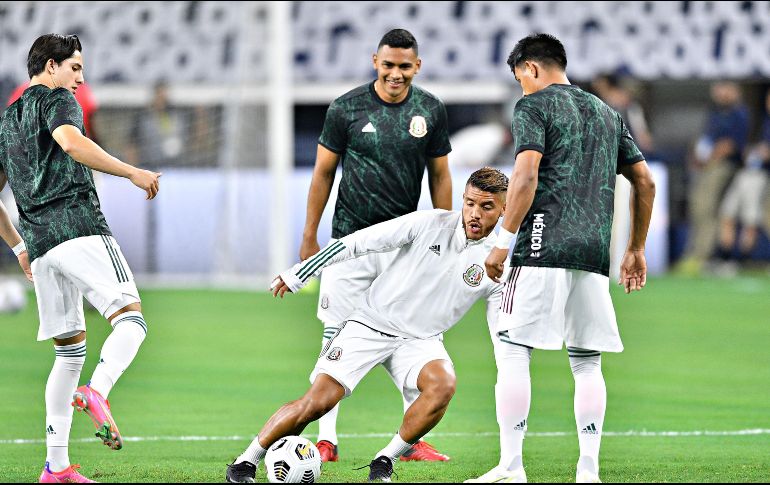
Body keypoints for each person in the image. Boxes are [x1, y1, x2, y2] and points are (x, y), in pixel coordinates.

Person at [226, 168, 507, 483]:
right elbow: (358, 242)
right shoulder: (429, 223)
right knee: (316, 403)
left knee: (443, 384)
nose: (474, 213)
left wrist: (509, 367)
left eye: (486, 207)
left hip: (420, 340)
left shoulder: (499, 261)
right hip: (370, 325)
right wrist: (301, 271)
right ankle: (245, 462)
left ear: (504, 209)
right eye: (469, 203)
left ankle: (384, 460)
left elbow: (500, 325)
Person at [468, 34, 656, 484]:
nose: (521, 89)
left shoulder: (533, 107)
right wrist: (635, 248)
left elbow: (527, 173)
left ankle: (512, 466)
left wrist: (502, 241)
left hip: (540, 246)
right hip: (593, 253)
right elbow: (645, 182)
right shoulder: (608, 113)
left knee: (512, 349)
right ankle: (588, 469)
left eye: (520, 80)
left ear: (531, 68)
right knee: (587, 360)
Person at [0, 34, 161, 483]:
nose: (80, 79)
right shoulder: (59, 101)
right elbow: (71, 144)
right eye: (75, 68)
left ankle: (56, 468)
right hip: (79, 227)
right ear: (51, 67)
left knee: (68, 354)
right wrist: (132, 171)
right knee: (132, 320)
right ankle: (100, 390)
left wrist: (18, 247)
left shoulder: (7, 121)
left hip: (42, 247)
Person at [298, 28, 453, 463]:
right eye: (388, 65)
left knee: (414, 333)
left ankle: (411, 441)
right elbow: (323, 174)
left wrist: (447, 237)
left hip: (405, 247)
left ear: (417, 66)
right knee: (336, 335)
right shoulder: (345, 108)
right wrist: (310, 236)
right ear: (375, 62)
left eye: (405, 66)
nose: (396, 74)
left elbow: (440, 176)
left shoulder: (431, 110)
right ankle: (326, 440)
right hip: (348, 242)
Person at [675, 81, 749, 276]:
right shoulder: (715, 112)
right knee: (698, 208)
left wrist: (708, 158)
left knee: (706, 208)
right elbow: (705, 140)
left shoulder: (738, 113)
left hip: (723, 165)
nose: (718, 92)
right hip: (707, 165)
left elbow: (730, 145)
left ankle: (701, 256)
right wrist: (697, 157)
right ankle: (695, 253)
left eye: (723, 88)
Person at [714, 89, 770, 273]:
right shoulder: (762, 120)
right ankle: (726, 258)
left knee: (750, 219)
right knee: (727, 212)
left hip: (759, 176)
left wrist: (763, 152)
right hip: (745, 172)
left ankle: (742, 261)